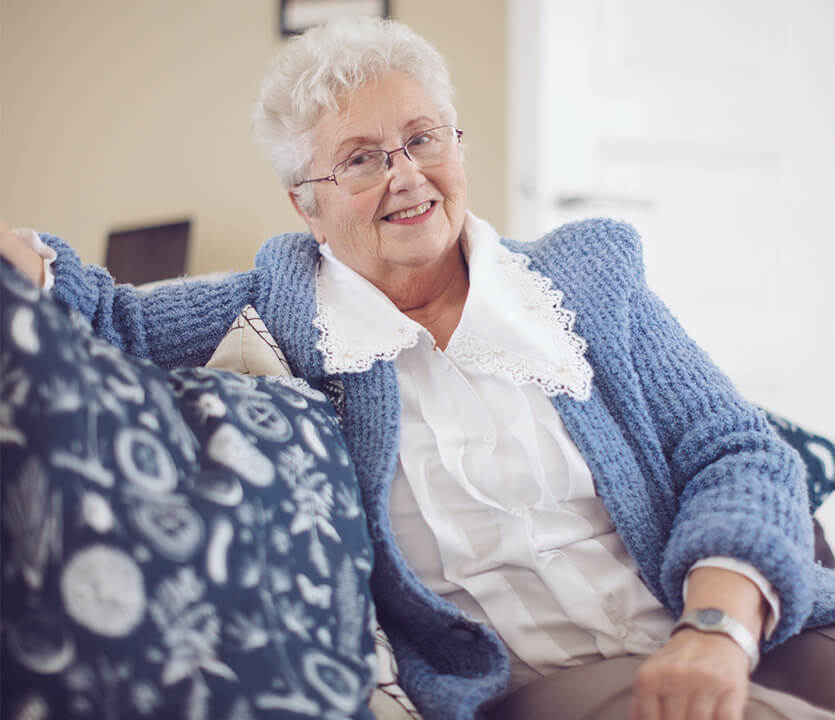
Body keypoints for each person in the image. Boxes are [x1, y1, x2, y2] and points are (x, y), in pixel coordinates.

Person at [2, 16, 834, 720]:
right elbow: (94, 311)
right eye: (360, 159)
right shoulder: (282, 307)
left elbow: (733, 449)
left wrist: (715, 629)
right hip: (568, 679)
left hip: (738, 615)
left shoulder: (586, 275)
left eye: (421, 138)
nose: (405, 174)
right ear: (306, 204)